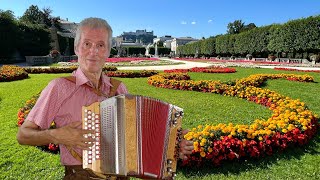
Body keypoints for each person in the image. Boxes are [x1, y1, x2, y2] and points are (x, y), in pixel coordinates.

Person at [17, 17, 194, 179]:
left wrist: (172, 149)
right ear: (77, 48)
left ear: (108, 51)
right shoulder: (59, 87)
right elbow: (23, 135)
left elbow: (136, 143)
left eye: (100, 45)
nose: (93, 51)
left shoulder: (119, 89)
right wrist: (57, 135)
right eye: (87, 44)